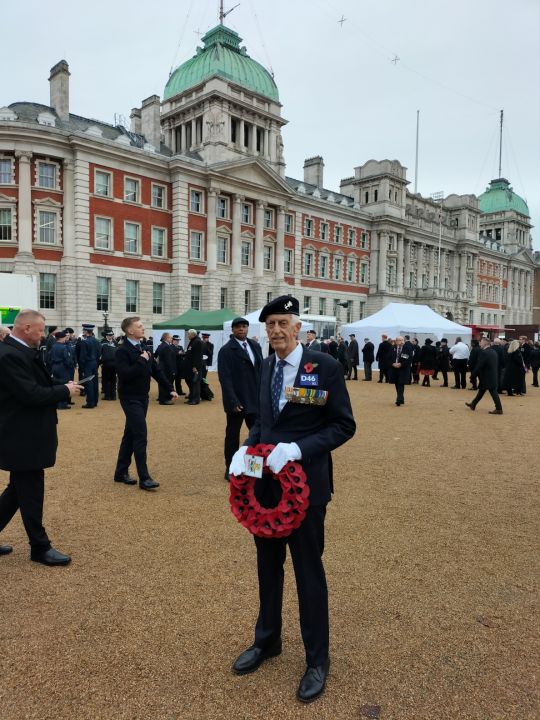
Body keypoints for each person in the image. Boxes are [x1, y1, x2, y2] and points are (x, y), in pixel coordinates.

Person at [229, 295, 355, 704]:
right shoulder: (267, 364)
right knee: (268, 568)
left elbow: (342, 425)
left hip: (306, 492)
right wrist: (246, 449)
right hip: (266, 489)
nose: (277, 331)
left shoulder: (324, 367)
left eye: (283, 323)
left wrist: (299, 449)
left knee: (308, 573)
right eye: (271, 325)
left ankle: (317, 659)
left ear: (298, 327)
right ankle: (267, 641)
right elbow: (265, 421)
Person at [0, 309, 83, 565]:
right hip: (21, 435)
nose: (43, 335)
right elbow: (31, 394)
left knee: (18, 490)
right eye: (40, 330)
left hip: (25, 432)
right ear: (26, 328)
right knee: (31, 490)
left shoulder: (17, 351)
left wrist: (59, 387)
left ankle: (39, 545)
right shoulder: (9, 355)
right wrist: (64, 390)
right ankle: (40, 547)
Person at [114, 316, 178, 490]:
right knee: (140, 435)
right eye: (139, 326)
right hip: (129, 398)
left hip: (143, 398)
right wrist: (141, 360)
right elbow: (125, 374)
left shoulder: (145, 348)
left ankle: (120, 472)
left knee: (130, 434)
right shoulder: (122, 350)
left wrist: (170, 388)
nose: (143, 328)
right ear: (130, 331)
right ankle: (144, 477)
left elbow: (156, 372)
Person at [217, 317, 263, 481]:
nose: (241, 329)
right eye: (238, 327)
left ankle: (253, 468)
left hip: (254, 399)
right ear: (233, 330)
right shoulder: (226, 350)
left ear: (248, 328)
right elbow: (225, 379)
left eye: (244, 326)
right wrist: (233, 401)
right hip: (237, 401)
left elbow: (261, 371)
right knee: (232, 436)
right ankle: (230, 469)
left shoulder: (255, 345)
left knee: (257, 435)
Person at [465, 337, 503, 414]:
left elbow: (479, 365)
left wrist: (473, 375)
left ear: (485, 343)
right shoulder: (493, 351)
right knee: (481, 391)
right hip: (491, 375)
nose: (480, 344)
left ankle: (499, 408)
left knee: (493, 392)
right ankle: (473, 404)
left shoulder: (485, 352)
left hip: (487, 376)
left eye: (481, 342)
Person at [48, 330, 74, 409]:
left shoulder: (53, 346)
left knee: (56, 384)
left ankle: (57, 402)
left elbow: (48, 358)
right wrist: (70, 366)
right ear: (61, 338)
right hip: (62, 367)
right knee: (64, 384)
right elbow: (67, 360)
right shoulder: (64, 347)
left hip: (54, 366)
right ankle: (62, 404)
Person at [79, 323, 101, 408]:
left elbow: (82, 357)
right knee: (95, 382)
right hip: (94, 363)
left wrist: (82, 366)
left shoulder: (85, 342)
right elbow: (99, 353)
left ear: (85, 331)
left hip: (88, 364)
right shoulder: (96, 341)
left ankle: (90, 402)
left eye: (83, 330)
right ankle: (95, 401)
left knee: (89, 383)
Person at [388, 335, 412, 405]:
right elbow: (388, 358)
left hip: (403, 369)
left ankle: (398, 399)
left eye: (402, 340)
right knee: (396, 383)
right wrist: (393, 364)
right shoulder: (392, 348)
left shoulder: (407, 348)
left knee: (401, 383)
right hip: (394, 369)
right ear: (396, 341)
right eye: (400, 340)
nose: (401, 342)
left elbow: (408, 359)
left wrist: (401, 364)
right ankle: (401, 398)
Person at [154, 332, 177, 405]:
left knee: (162, 383)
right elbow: (168, 360)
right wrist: (172, 370)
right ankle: (164, 400)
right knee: (166, 383)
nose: (171, 339)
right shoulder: (166, 346)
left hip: (161, 367)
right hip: (166, 368)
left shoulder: (161, 345)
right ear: (166, 338)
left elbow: (155, 355)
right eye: (170, 338)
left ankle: (162, 398)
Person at [184, 329, 203, 405]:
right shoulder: (193, 341)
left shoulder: (198, 342)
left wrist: (196, 366)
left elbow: (197, 356)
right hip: (189, 367)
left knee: (195, 383)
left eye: (188, 334)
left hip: (194, 367)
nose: (188, 336)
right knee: (190, 382)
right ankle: (191, 398)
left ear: (193, 334)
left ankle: (195, 399)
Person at [100, 331, 118, 400]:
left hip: (113, 364)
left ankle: (112, 395)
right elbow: (100, 353)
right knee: (106, 380)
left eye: (111, 335)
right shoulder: (102, 343)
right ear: (106, 336)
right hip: (106, 363)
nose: (110, 336)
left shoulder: (115, 343)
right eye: (109, 335)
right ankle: (108, 395)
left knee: (112, 380)